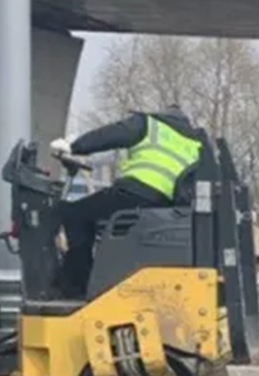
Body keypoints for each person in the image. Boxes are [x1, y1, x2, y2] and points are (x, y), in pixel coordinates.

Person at [47, 105, 205, 297]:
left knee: (75, 215)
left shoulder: (150, 124)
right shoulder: (194, 143)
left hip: (135, 193)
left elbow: (110, 135)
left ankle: (76, 287)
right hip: (165, 206)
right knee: (97, 219)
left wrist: (75, 146)